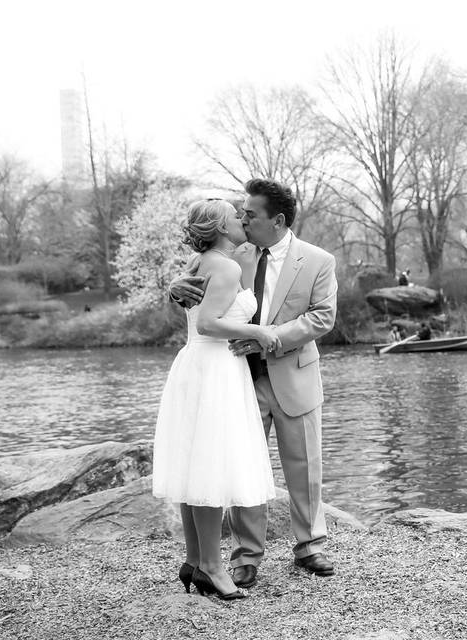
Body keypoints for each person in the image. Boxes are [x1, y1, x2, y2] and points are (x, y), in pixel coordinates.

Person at [169, 179, 338, 585]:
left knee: (304, 465)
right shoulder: (233, 255)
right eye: (240, 213)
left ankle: (310, 546)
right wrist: (174, 290)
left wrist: (271, 336)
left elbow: (322, 318)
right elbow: (199, 291)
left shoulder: (318, 260)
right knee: (242, 465)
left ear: (276, 220)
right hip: (238, 377)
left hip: (292, 372)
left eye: (250, 214)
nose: (243, 218)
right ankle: (247, 555)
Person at [153, 199, 277, 600]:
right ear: (221, 227)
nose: (242, 218)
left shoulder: (198, 262)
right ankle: (210, 566)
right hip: (215, 368)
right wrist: (258, 333)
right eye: (234, 215)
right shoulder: (225, 265)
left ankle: (194, 559)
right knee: (209, 466)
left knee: (195, 466)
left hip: (196, 365)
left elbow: (196, 315)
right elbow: (207, 323)